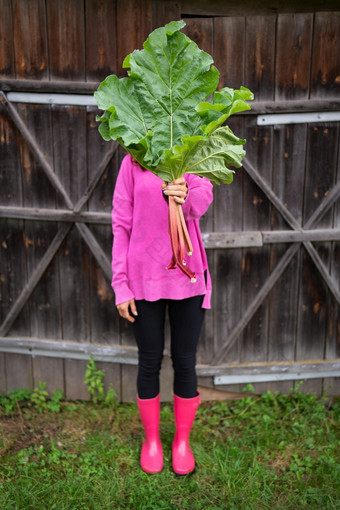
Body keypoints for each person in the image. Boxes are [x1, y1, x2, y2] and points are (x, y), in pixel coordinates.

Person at [111, 153, 213, 475]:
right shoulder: (132, 162)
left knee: (185, 361)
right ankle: (152, 441)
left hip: (188, 277)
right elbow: (121, 224)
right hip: (143, 279)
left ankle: (182, 442)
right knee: (149, 360)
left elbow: (203, 196)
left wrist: (186, 194)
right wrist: (120, 284)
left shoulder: (189, 154)